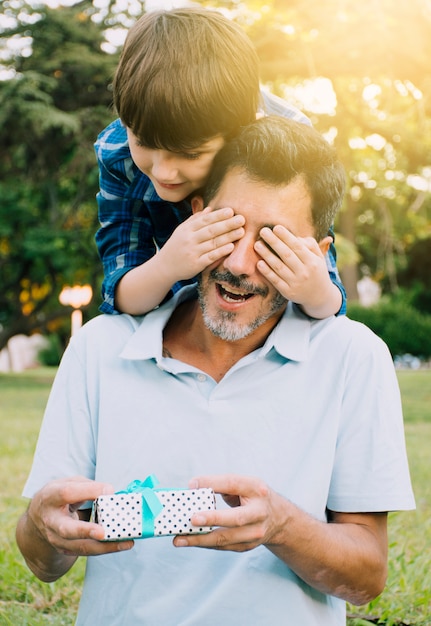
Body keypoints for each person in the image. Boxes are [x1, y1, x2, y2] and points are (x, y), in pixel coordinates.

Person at [17, 117, 414, 626]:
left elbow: (366, 578)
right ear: (196, 215)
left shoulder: (354, 356)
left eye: (274, 242)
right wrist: (41, 525)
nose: (242, 263)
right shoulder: (98, 346)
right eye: (229, 226)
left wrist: (280, 525)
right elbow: (40, 559)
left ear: (317, 255)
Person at [95, 7, 346, 319]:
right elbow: (120, 293)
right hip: (177, 314)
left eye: (190, 154)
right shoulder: (117, 151)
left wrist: (316, 293)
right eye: (143, 143)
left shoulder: (294, 157)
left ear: (241, 133)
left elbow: (328, 295)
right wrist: (167, 264)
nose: (162, 172)